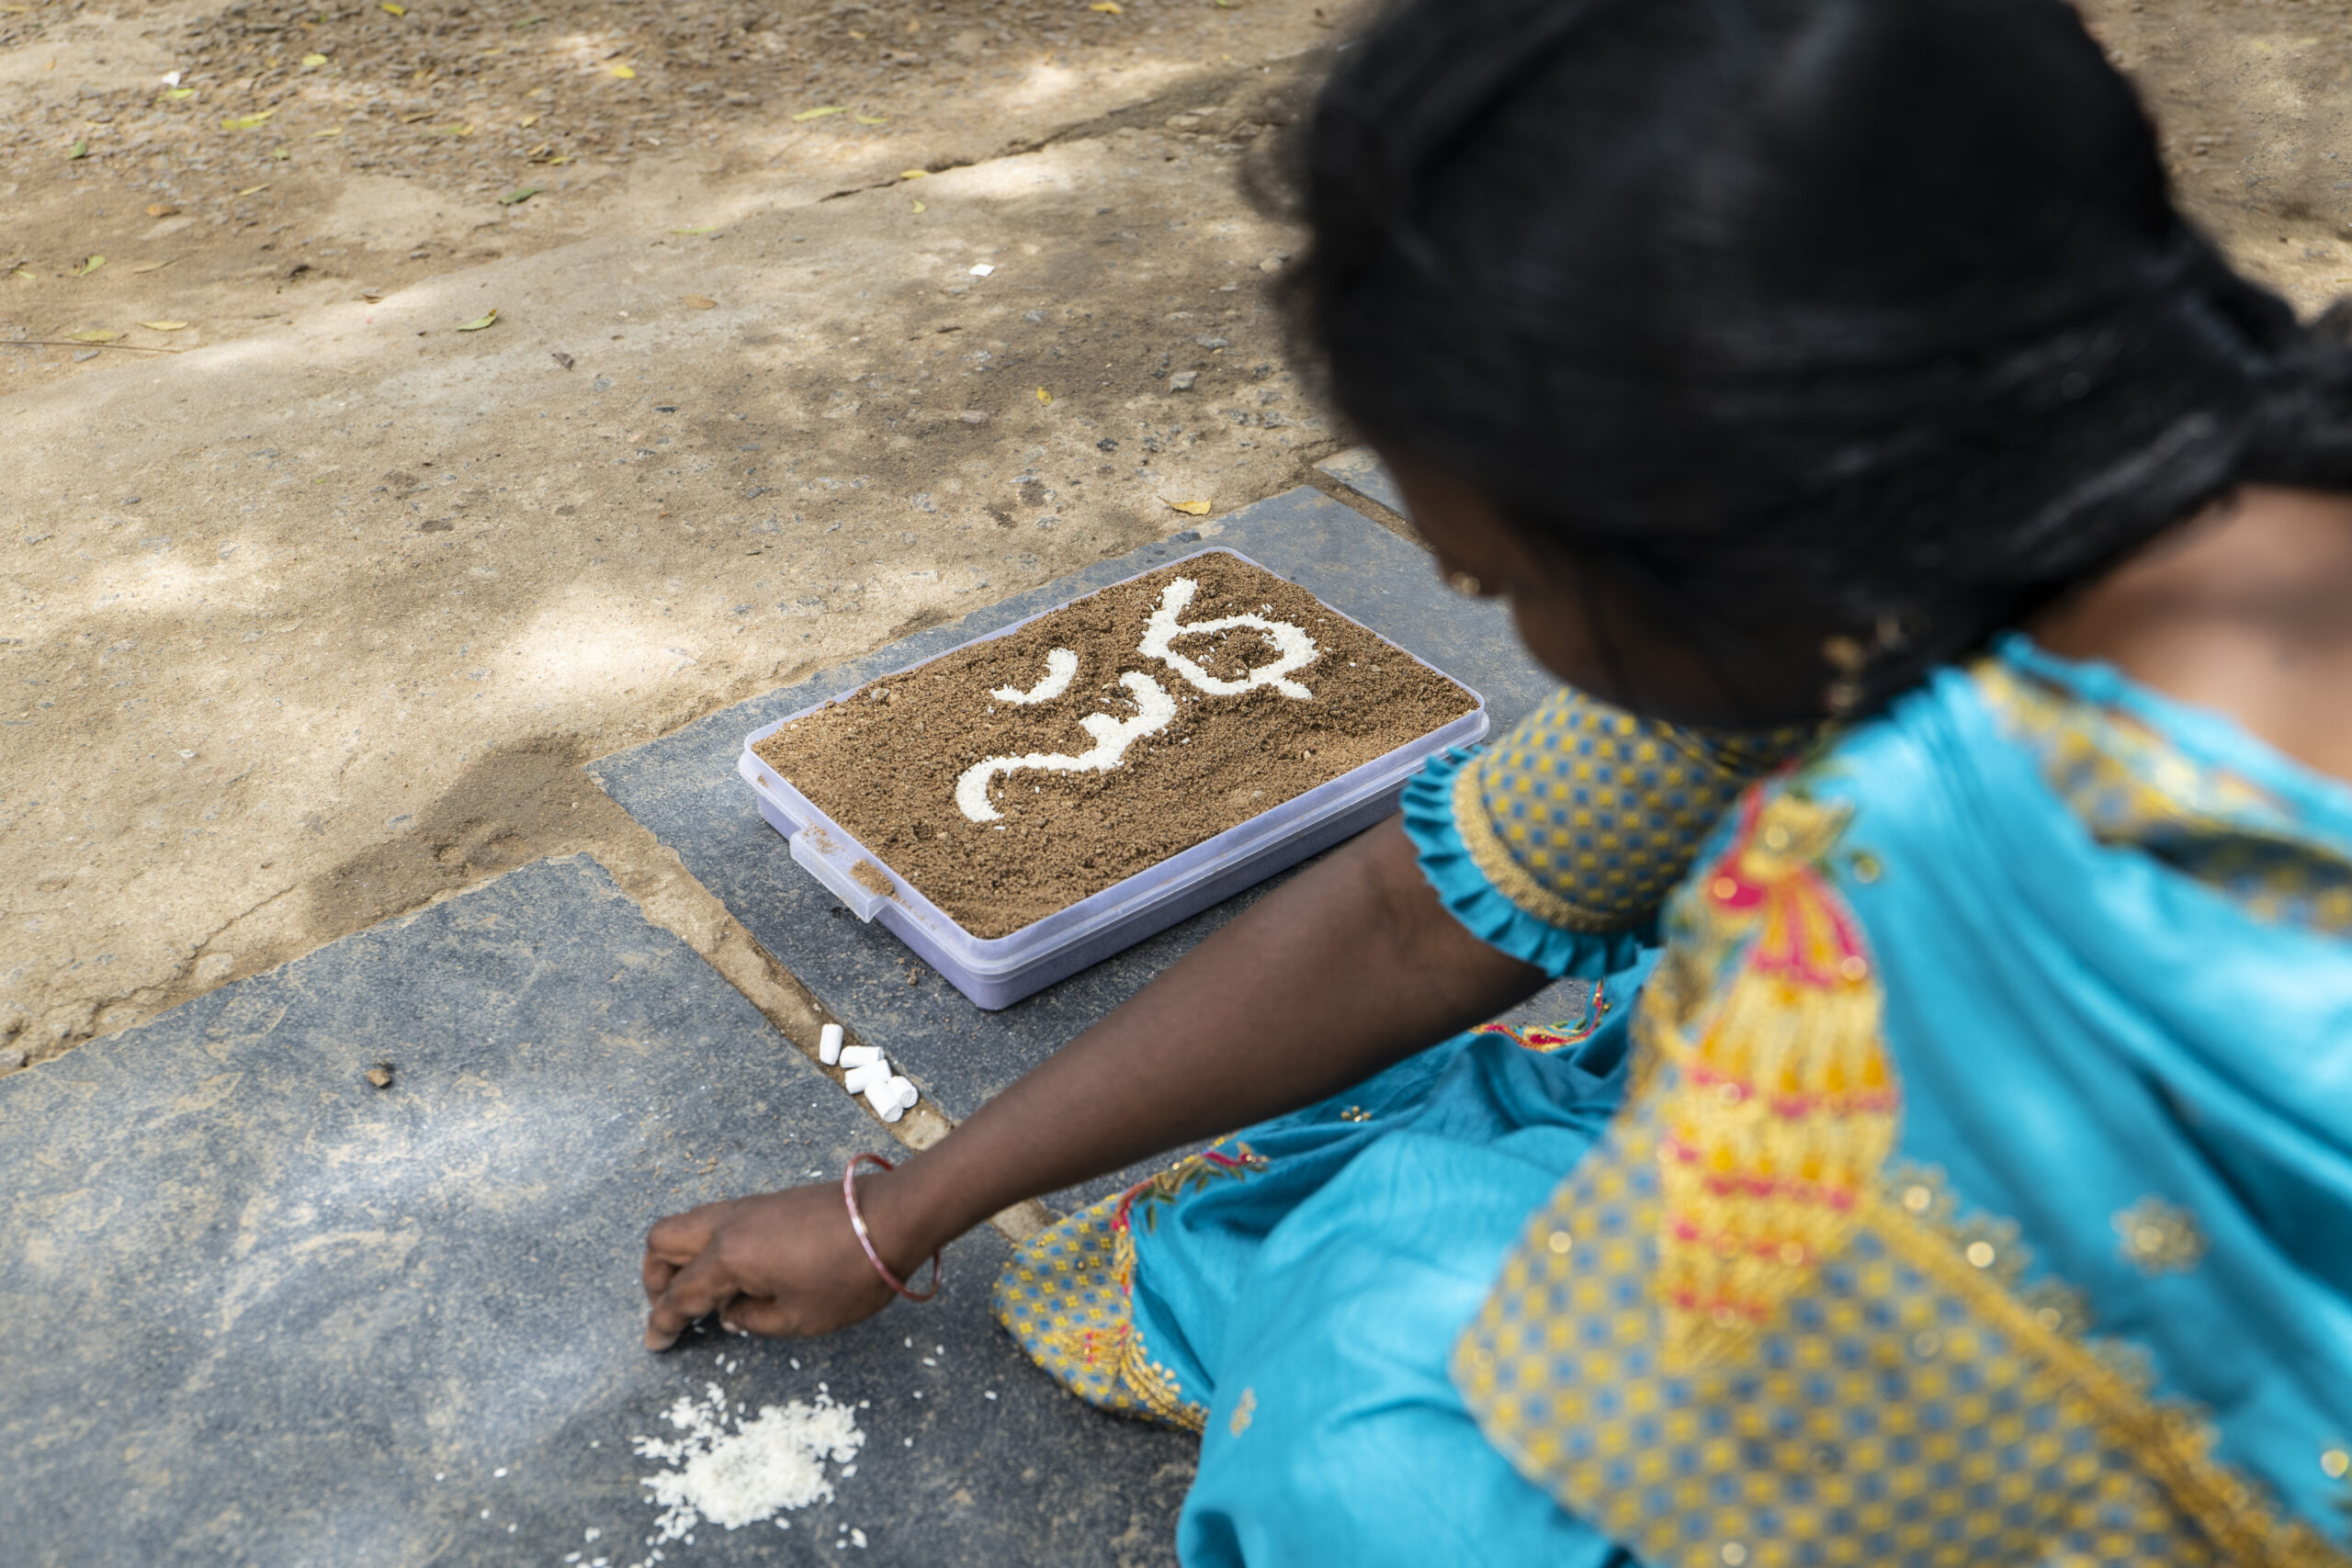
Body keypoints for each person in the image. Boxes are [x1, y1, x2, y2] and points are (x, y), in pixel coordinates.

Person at [641, 0, 2352, 1560]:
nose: (1481, 610)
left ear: (1747, 544)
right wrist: (910, 1209)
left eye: (1514, 578)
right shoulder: (2037, 488)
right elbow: (1423, 912)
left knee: (1367, 1368)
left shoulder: (1923, 903)